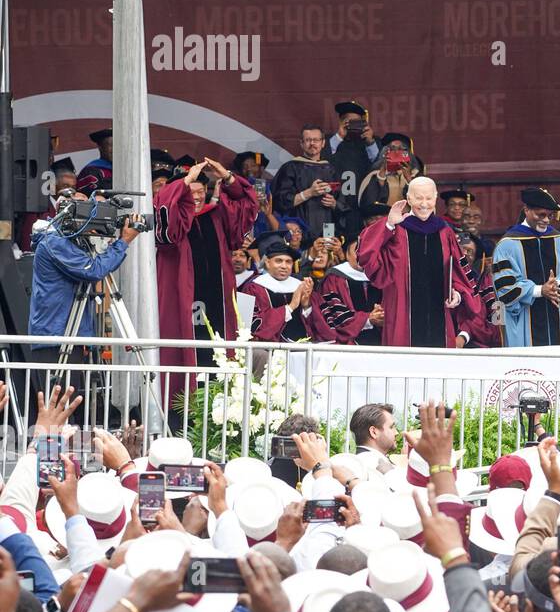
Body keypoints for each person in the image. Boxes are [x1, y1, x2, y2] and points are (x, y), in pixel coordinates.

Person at [26, 195, 144, 420]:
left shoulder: (70, 242)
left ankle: (72, 452)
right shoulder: (54, 242)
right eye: (89, 209)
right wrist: (124, 241)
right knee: (59, 408)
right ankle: (50, 453)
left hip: (69, 334)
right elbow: (93, 270)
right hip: (57, 337)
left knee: (70, 407)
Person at [154, 156, 258, 380]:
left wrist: (228, 177)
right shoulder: (176, 222)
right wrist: (186, 180)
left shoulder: (216, 216)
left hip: (217, 302)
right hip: (181, 300)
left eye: (201, 190)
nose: (198, 196)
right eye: (191, 191)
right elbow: (163, 204)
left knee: (218, 354)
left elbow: (246, 205)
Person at [357, 176, 482, 348]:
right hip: (402, 317)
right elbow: (366, 255)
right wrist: (388, 224)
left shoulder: (445, 233)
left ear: (436, 198)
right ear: (408, 199)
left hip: (439, 316)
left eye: (429, 198)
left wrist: (458, 295)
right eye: (418, 198)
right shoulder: (397, 230)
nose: (424, 204)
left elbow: (460, 274)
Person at [493, 188, 560, 347]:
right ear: (526, 210)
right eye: (541, 215)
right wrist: (540, 290)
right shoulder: (507, 245)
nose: (547, 220)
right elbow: (505, 288)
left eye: (550, 215)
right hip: (523, 322)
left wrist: (558, 285)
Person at [244, 238, 333, 343]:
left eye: (288, 262)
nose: (284, 266)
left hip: (303, 347)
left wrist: (306, 306)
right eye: (278, 261)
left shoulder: (300, 285)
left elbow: (321, 328)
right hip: (271, 349)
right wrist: (291, 307)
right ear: (267, 263)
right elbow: (250, 326)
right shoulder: (254, 287)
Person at [272, 125, 339, 240]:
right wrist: (309, 193)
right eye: (308, 140)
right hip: (298, 232)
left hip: (327, 229)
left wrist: (334, 203)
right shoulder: (290, 168)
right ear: (301, 143)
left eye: (316, 140)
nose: (312, 143)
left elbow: (341, 202)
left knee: (326, 253)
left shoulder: (331, 169)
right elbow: (280, 201)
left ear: (323, 143)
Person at [317, 237, 384, 345]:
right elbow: (334, 311)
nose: (362, 255)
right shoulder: (334, 278)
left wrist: (382, 314)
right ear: (347, 255)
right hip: (348, 344)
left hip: (381, 342)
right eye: (357, 251)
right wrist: (367, 319)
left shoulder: (381, 276)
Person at [326, 101, 374, 241]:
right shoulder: (329, 142)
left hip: (359, 207)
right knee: (330, 242)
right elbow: (321, 159)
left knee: (358, 244)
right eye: (348, 122)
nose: (353, 126)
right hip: (332, 208)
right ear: (341, 122)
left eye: (357, 123)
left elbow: (379, 166)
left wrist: (370, 142)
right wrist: (340, 136)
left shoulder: (369, 143)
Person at [358, 133, 417, 222]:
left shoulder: (416, 176)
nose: (397, 152)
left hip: (408, 223)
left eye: (401, 149)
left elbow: (421, 202)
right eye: (392, 149)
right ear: (385, 153)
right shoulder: (374, 176)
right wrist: (382, 172)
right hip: (383, 223)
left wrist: (408, 177)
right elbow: (369, 203)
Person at [76, 128, 113, 196]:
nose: (114, 149)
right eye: (111, 145)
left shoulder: (125, 172)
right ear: (100, 147)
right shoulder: (91, 171)